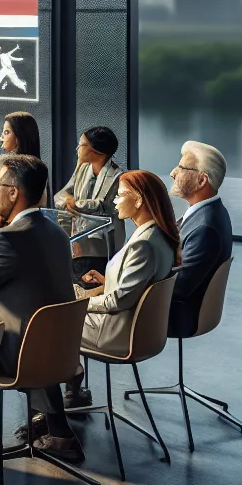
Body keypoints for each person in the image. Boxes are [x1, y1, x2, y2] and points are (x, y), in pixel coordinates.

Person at [0, 156, 82, 468]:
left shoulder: (7, 238)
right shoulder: (57, 234)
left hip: (24, 357)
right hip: (60, 350)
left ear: (13, 193)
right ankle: (60, 432)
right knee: (27, 327)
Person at [65, 169, 180, 406]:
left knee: (46, 324)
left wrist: (79, 302)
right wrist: (108, 282)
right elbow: (137, 288)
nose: (115, 201)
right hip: (137, 327)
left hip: (116, 332)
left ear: (138, 199)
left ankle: (50, 412)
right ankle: (73, 392)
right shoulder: (158, 236)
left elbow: (117, 302)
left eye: (120, 195)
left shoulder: (143, 245)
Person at [168, 140, 232, 339]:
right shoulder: (209, 213)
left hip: (177, 316)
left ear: (202, 180)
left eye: (181, 167)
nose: (173, 172)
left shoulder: (206, 227)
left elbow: (178, 288)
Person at [56, 126, 123, 272]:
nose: (78, 148)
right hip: (78, 244)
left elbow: (104, 205)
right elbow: (60, 196)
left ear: (96, 150)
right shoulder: (82, 169)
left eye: (82, 144)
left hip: (103, 249)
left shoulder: (117, 176)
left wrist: (75, 203)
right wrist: (66, 200)